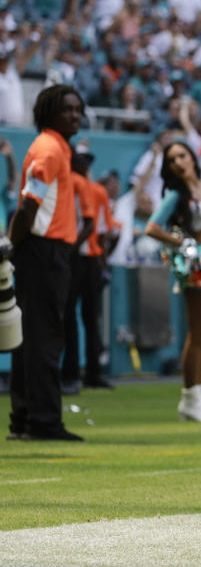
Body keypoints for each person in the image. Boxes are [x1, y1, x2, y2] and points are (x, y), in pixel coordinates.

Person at [7, 84, 85, 441]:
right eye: (67, 109)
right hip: (44, 252)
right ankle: (43, 422)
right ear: (48, 111)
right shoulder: (51, 148)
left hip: (41, 251)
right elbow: (27, 205)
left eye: (78, 109)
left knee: (31, 339)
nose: (75, 115)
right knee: (45, 340)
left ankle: (24, 420)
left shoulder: (52, 147)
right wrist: (11, 244)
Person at [145, 140, 201, 423]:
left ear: (192, 157)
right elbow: (152, 228)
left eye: (182, 156)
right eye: (172, 161)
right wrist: (184, 244)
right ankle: (190, 398)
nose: (178, 163)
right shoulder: (176, 193)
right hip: (200, 267)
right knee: (198, 334)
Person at [62, 143, 110, 394]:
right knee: (82, 318)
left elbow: (97, 226)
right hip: (84, 257)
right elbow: (100, 227)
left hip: (82, 257)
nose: (85, 165)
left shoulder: (84, 186)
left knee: (81, 318)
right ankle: (82, 373)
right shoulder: (85, 186)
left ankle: (80, 374)